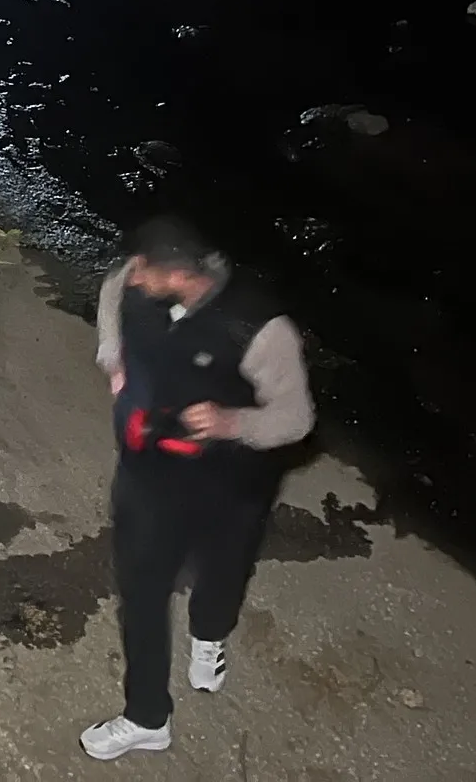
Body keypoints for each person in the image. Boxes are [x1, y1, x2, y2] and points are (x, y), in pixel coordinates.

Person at [80, 217, 314, 761]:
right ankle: (147, 717)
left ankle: (210, 637)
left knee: (223, 568)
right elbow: (113, 292)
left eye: (146, 271)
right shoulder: (134, 282)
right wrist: (113, 359)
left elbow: (296, 418)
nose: (133, 277)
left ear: (182, 275)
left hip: (231, 482)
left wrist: (233, 422)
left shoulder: (260, 329)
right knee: (140, 589)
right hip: (149, 473)